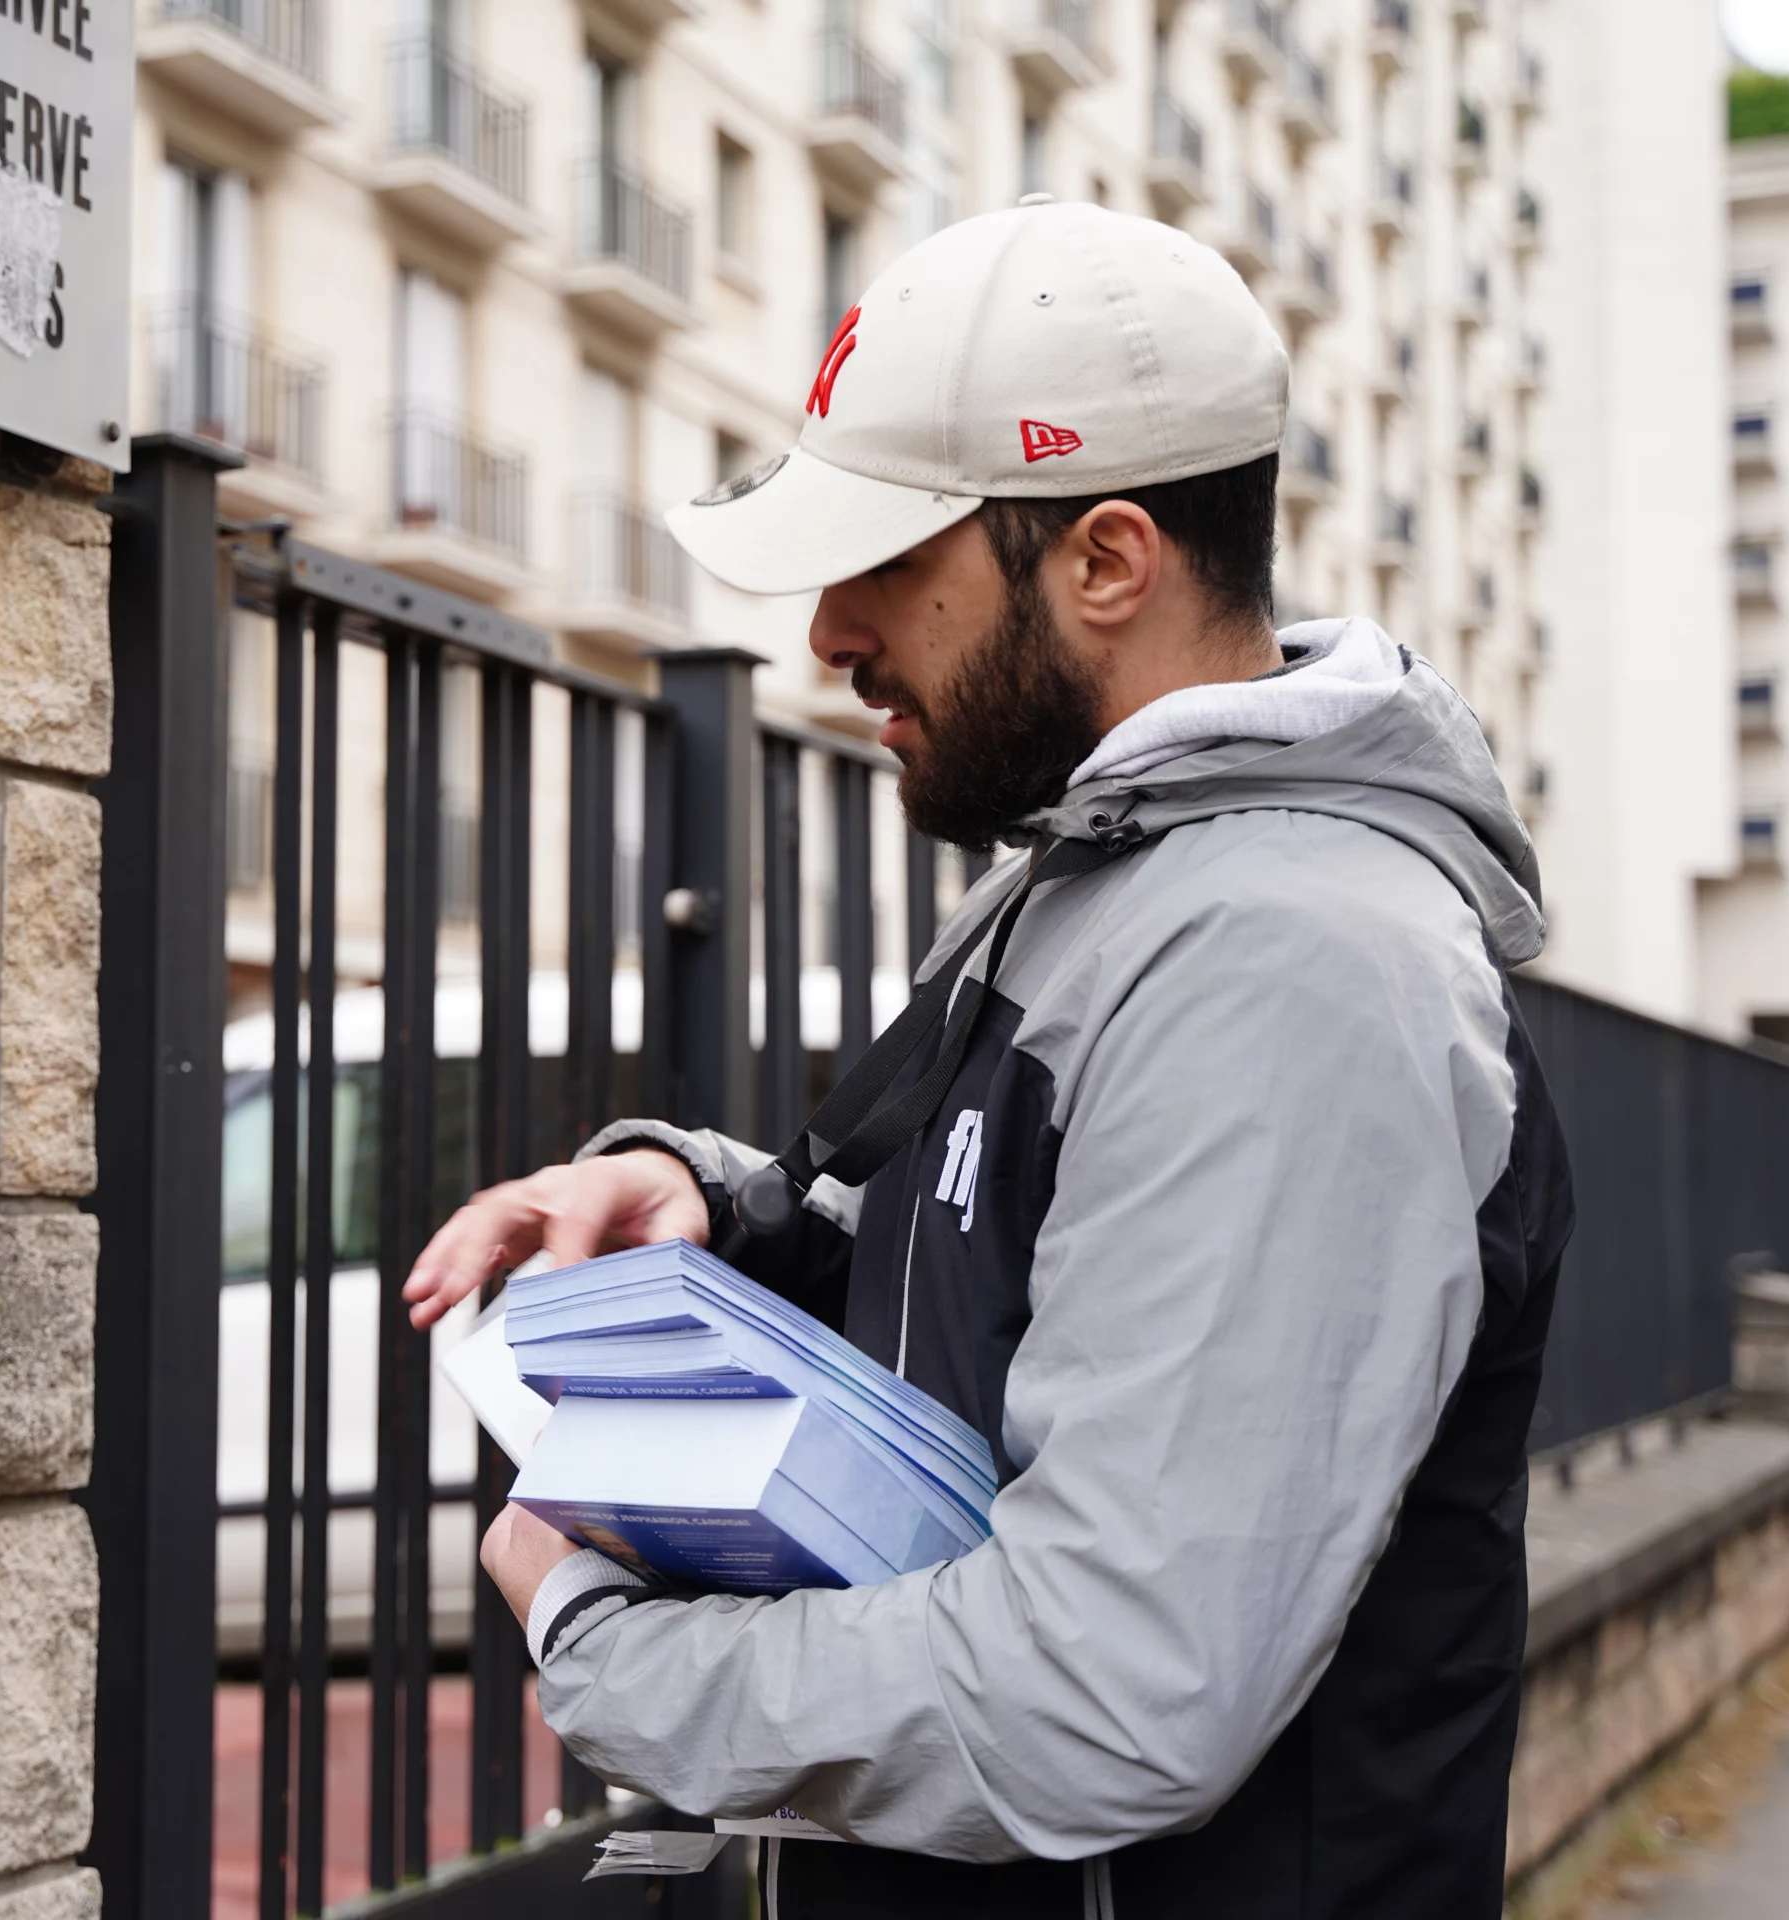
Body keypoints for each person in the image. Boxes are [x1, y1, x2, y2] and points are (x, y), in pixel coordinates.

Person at [400, 198, 1574, 1918]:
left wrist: (601, 1648)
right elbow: (978, 1289)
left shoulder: (1292, 964)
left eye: (890, 556)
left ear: (1107, 561)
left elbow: (1106, 1688)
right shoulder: (1099, 878)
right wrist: (710, 1210)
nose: (828, 632)